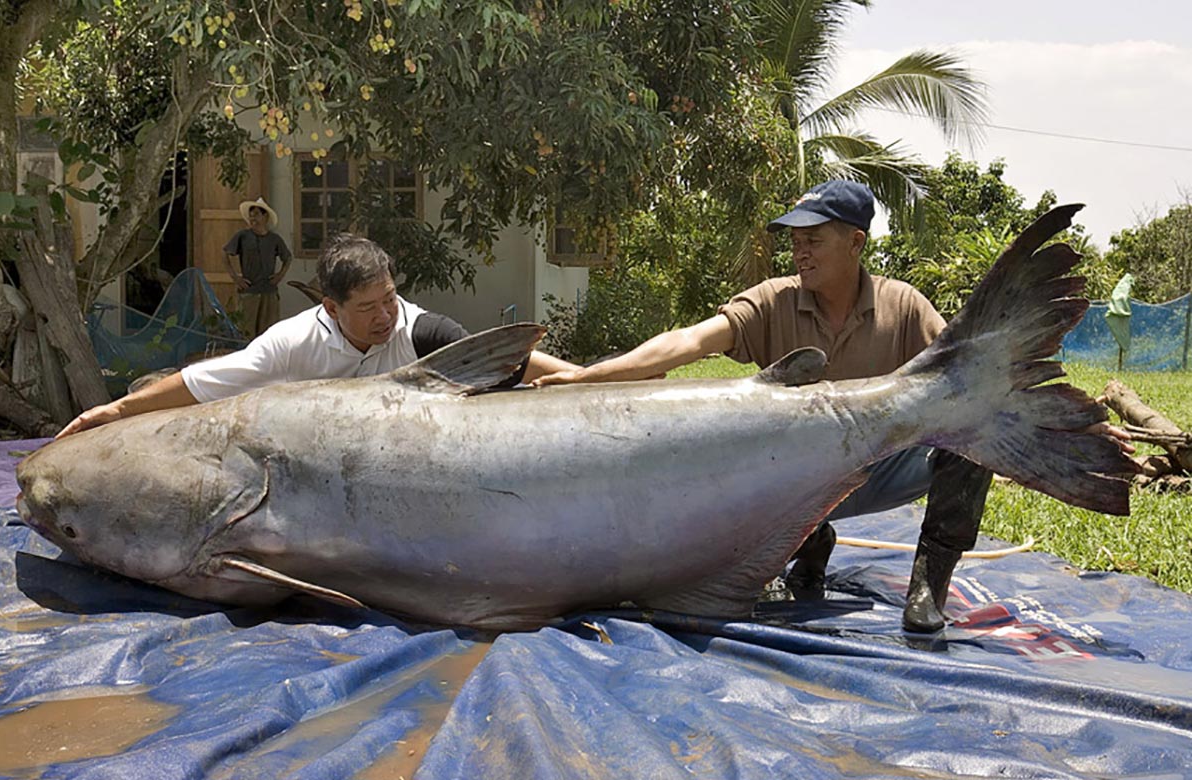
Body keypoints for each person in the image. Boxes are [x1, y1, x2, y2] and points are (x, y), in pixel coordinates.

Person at [534, 180, 1010, 632]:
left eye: (814, 240)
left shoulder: (903, 306)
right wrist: (585, 376)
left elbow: (964, 379)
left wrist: (1061, 422)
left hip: (876, 469)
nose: (799, 251)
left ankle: (928, 586)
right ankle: (809, 536)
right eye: (795, 240)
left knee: (968, 431)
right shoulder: (773, 301)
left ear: (856, 242)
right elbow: (690, 341)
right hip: (787, 483)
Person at [59, 233, 578, 439]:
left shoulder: (421, 331)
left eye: (390, 299)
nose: (385, 315)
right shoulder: (289, 345)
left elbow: (508, 361)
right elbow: (201, 383)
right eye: (368, 307)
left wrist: (588, 379)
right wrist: (118, 412)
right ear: (330, 307)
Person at [225, 197, 293, 337]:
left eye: (256, 214)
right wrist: (236, 277)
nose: (252, 218)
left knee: (269, 332)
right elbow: (225, 254)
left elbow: (287, 258)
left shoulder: (274, 239)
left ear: (265, 216)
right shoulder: (242, 236)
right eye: (251, 215)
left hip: (269, 291)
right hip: (250, 291)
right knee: (246, 331)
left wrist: (280, 275)